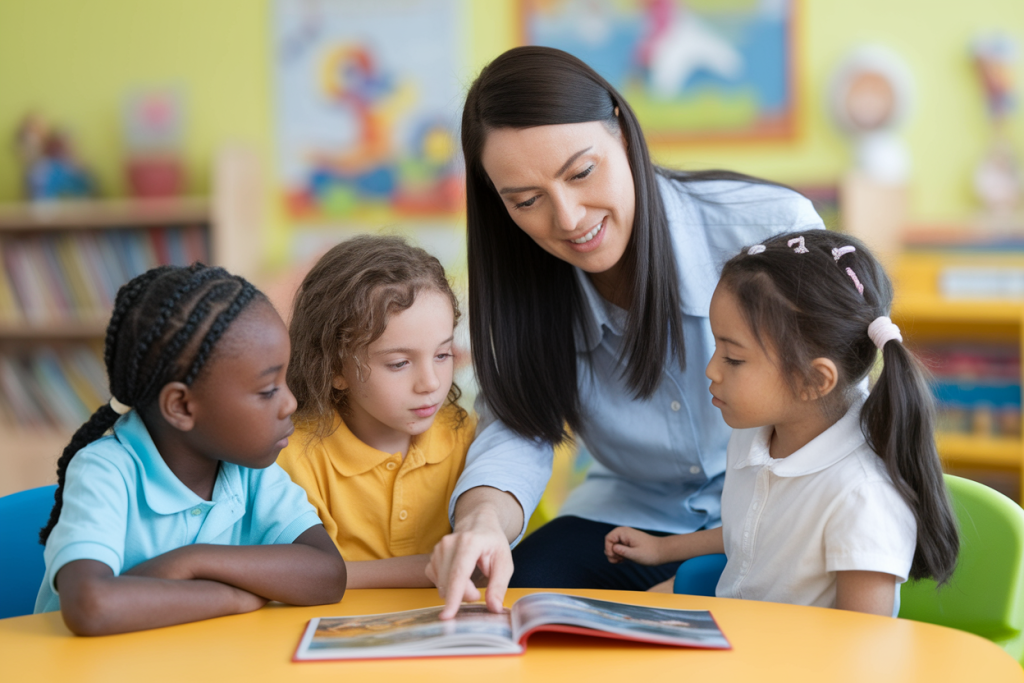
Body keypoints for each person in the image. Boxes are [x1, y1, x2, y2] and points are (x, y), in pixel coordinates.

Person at [427, 45, 825, 617]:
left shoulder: (770, 229)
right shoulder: (523, 283)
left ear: (620, 128)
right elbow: (521, 426)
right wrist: (483, 521)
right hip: (629, 521)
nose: (567, 219)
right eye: (527, 201)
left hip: (780, 514)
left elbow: (837, 408)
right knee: (507, 607)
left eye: (582, 172)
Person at [605, 231, 959, 616]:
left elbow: (864, 650)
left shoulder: (862, 497)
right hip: (740, 635)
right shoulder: (755, 435)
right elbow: (756, 531)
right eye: (716, 349)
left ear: (814, 380)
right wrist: (662, 549)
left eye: (733, 358)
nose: (711, 370)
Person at [35, 264, 347, 635]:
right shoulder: (104, 471)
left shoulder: (252, 473)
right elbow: (90, 606)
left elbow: (328, 575)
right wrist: (231, 599)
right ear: (181, 407)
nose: (291, 403)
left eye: (285, 380)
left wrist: (191, 561)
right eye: (267, 390)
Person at [278, 235, 476, 588]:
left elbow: (495, 558)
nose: (430, 382)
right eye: (399, 363)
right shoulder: (292, 458)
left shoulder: (467, 438)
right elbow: (293, 576)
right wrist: (432, 567)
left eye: (443, 355)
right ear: (335, 368)